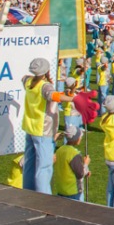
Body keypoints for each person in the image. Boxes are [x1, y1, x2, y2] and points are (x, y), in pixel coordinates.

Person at [22, 57, 74, 194]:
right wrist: (73, 98)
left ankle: (27, 193)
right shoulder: (45, 86)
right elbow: (53, 96)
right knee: (44, 168)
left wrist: (65, 94)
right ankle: (43, 198)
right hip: (43, 130)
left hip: (30, 128)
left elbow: (54, 94)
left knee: (30, 164)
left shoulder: (27, 81)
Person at [53, 125, 91, 201]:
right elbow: (80, 174)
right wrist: (86, 164)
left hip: (61, 189)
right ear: (76, 139)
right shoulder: (74, 154)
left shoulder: (60, 150)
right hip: (73, 192)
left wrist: (86, 172)